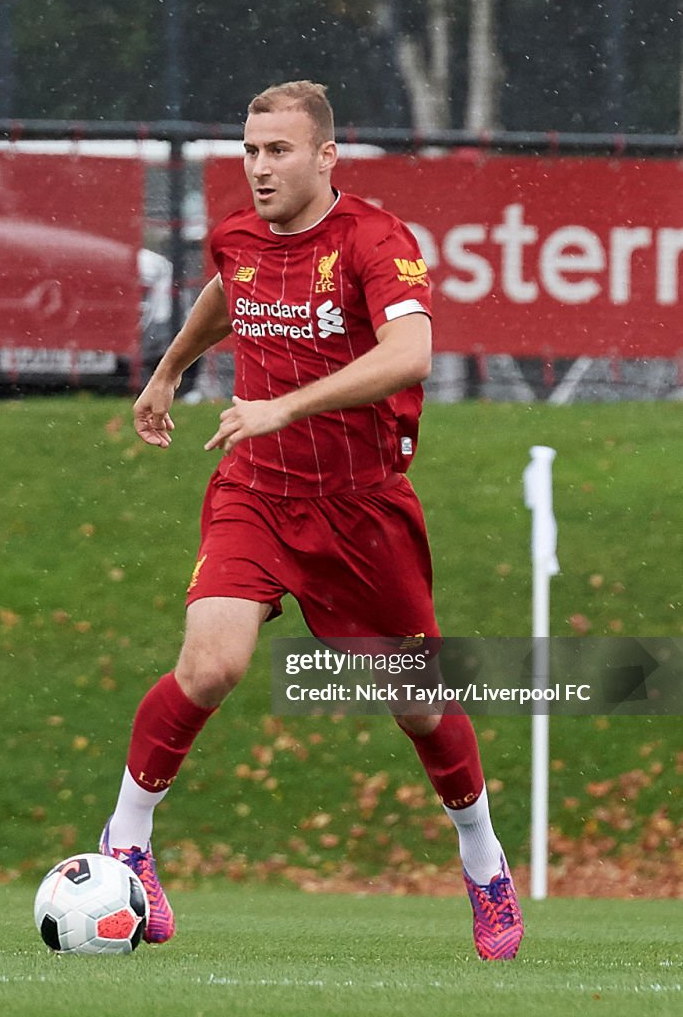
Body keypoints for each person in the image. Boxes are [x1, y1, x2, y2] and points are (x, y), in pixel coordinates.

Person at [99, 81, 524, 961]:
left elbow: (411, 353)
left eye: (278, 151)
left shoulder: (376, 240)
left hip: (361, 507)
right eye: (250, 150)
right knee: (211, 665)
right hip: (255, 491)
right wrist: (171, 368)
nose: (258, 167)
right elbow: (228, 289)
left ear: (325, 156)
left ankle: (481, 857)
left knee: (417, 701)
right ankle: (126, 843)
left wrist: (283, 406)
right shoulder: (237, 236)